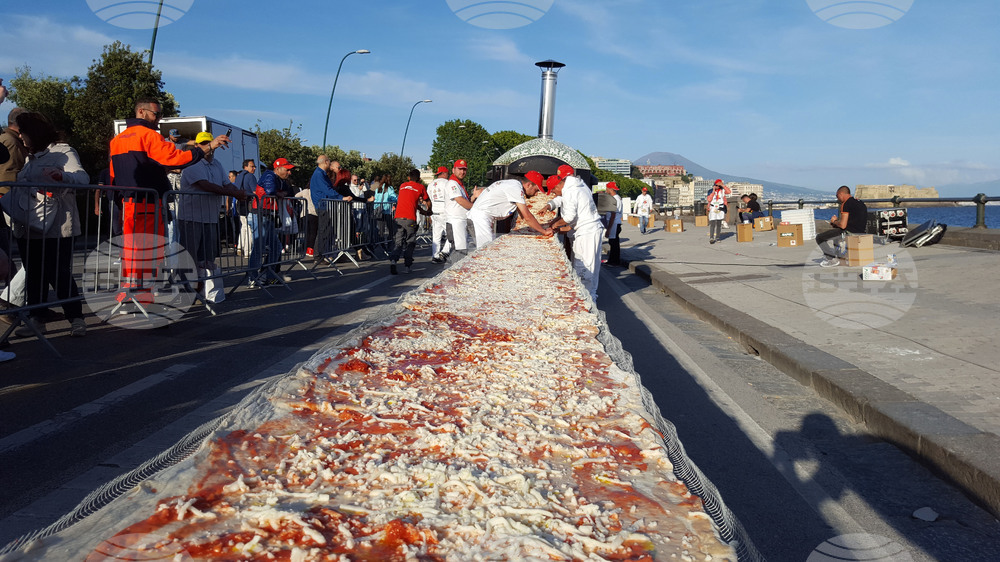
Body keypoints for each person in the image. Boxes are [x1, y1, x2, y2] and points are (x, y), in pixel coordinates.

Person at [110, 98, 229, 304]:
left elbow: (114, 175)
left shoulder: (118, 139)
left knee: (131, 249)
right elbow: (175, 158)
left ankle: (129, 292)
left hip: (128, 203)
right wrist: (208, 147)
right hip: (148, 203)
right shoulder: (148, 135)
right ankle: (143, 297)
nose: (159, 119)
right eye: (156, 114)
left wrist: (118, 201)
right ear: (141, 112)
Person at [9, 111, 89, 338]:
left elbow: (83, 179)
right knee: (34, 275)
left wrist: (62, 177)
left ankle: (76, 318)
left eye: (23, 132)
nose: (21, 137)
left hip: (57, 227)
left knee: (59, 273)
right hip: (30, 228)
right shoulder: (30, 158)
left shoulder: (64, 151)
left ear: (33, 132)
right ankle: (37, 319)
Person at [177, 132, 248, 272]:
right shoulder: (192, 163)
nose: (207, 147)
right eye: (203, 144)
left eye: (208, 143)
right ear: (196, 146)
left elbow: (226, 184)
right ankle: (185, 284)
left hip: (210, 218)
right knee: (189, 259)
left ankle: (203, 284)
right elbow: (206, 186)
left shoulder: (217, 164)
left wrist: (239, 192)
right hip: (191, 219)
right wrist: (235, 193)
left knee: (207, 260)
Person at [547, 171, 605, 302]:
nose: (555, 194)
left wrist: (554, 225)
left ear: (558, 185)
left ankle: (585, 300)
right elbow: (566, 205)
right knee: (592, 267)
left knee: (585, 267)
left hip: (587, 232)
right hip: (590, 229)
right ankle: (590, 296)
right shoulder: (579, 186)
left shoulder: (570, 191)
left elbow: (569, 217)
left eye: (554, 191)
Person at [468, 171, 553, 248]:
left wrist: (532, 225)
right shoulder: (515, 188)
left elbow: (523, 215)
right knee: (486, 249)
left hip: (483, 215)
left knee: (489, 247)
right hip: (481, 217)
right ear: (529, 185)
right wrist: (543, 231)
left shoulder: (513, 184)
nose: (536, 194)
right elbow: (527, 216)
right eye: (536, 190)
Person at [250, 158, 293, 284]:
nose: (289, 173)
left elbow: (288, 191)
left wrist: (281, 192)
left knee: (276, 246)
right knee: (259, 248)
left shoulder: (278, 179)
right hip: (260, 214)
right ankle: (253, 278)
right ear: (278, 168)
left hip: (267, 214)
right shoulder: (269, 175)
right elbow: (270, 191)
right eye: (287, 170)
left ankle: (268, 275)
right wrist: (280, 193)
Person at [388, 169, 431, 275]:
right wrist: (428, 211)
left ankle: (393, 260)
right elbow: (427, 200)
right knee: (410, 242)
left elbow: (411, 202)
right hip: (410, 218)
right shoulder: (420, 187)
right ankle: (407, 266)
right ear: (419, 179)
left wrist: (421, 210)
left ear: (408, 177)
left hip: (398, 218)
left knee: (398, 241)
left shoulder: (402, 186)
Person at [818, 185, 868, 267]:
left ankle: (831, 260)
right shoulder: (860, 202)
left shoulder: (846, 204)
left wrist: (834, 221)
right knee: (835, 233)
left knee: (820, 238)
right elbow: (853, 221)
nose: (838, 199)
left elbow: (843, 225)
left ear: (841, 194)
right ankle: (839, 257)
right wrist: (836, 224)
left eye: (837, 196)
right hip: (862, 232)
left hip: (849, 232)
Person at [443, 159, 479, 258]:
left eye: (464, 169)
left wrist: (474, 196)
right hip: (455, 222)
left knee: (462, 250)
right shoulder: (452, 183)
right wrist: (476, 209)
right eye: (460, 169)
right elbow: (460, 200)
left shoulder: (458, 184)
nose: (462, 172)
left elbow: (465, 201)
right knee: (459, 251)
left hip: (460, 221)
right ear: (453, 170)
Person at [427, 166, 451, 262]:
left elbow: (428, 200)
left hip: (434, 212)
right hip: (444, 211)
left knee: (436, 236)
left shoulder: (431, 184)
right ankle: (445, 251)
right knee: (452, 234)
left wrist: (429, 213)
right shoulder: (447, 183)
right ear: (444, 173)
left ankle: (435, 256)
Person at [234, 159, 257, 257]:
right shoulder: (250, 176)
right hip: (249, 203)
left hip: (239, 203)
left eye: (254, 166)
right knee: (249, 227)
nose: (254, 168)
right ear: (246, 167)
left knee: (244, 226)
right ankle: (248, 251)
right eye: (252, 166)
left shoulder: (239, 176)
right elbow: (255, 192)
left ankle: (240, 247)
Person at [604, 182, 623, 265]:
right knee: (613, 242)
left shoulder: (614, 200)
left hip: (614, 223)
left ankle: (614, 261)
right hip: (615, 223)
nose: (606, 190)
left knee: (614, 243)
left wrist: (608, 229)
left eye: (607, 189)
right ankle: (613, 260)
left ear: (610, 189)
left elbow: (613, 215)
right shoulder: (617, 198)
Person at [706, 179, 731, 244]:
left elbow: (729, 192)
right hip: (713, 207)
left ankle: (718, 237)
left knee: (719, 223)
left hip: (720, 207)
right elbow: (709, 199)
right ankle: (711, 237)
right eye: (716, 185)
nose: (717, 187)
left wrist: (723, 185)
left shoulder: (722, 191)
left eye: (719, 186)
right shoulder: (710, 191)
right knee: (712, 223)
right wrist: (713, 192)